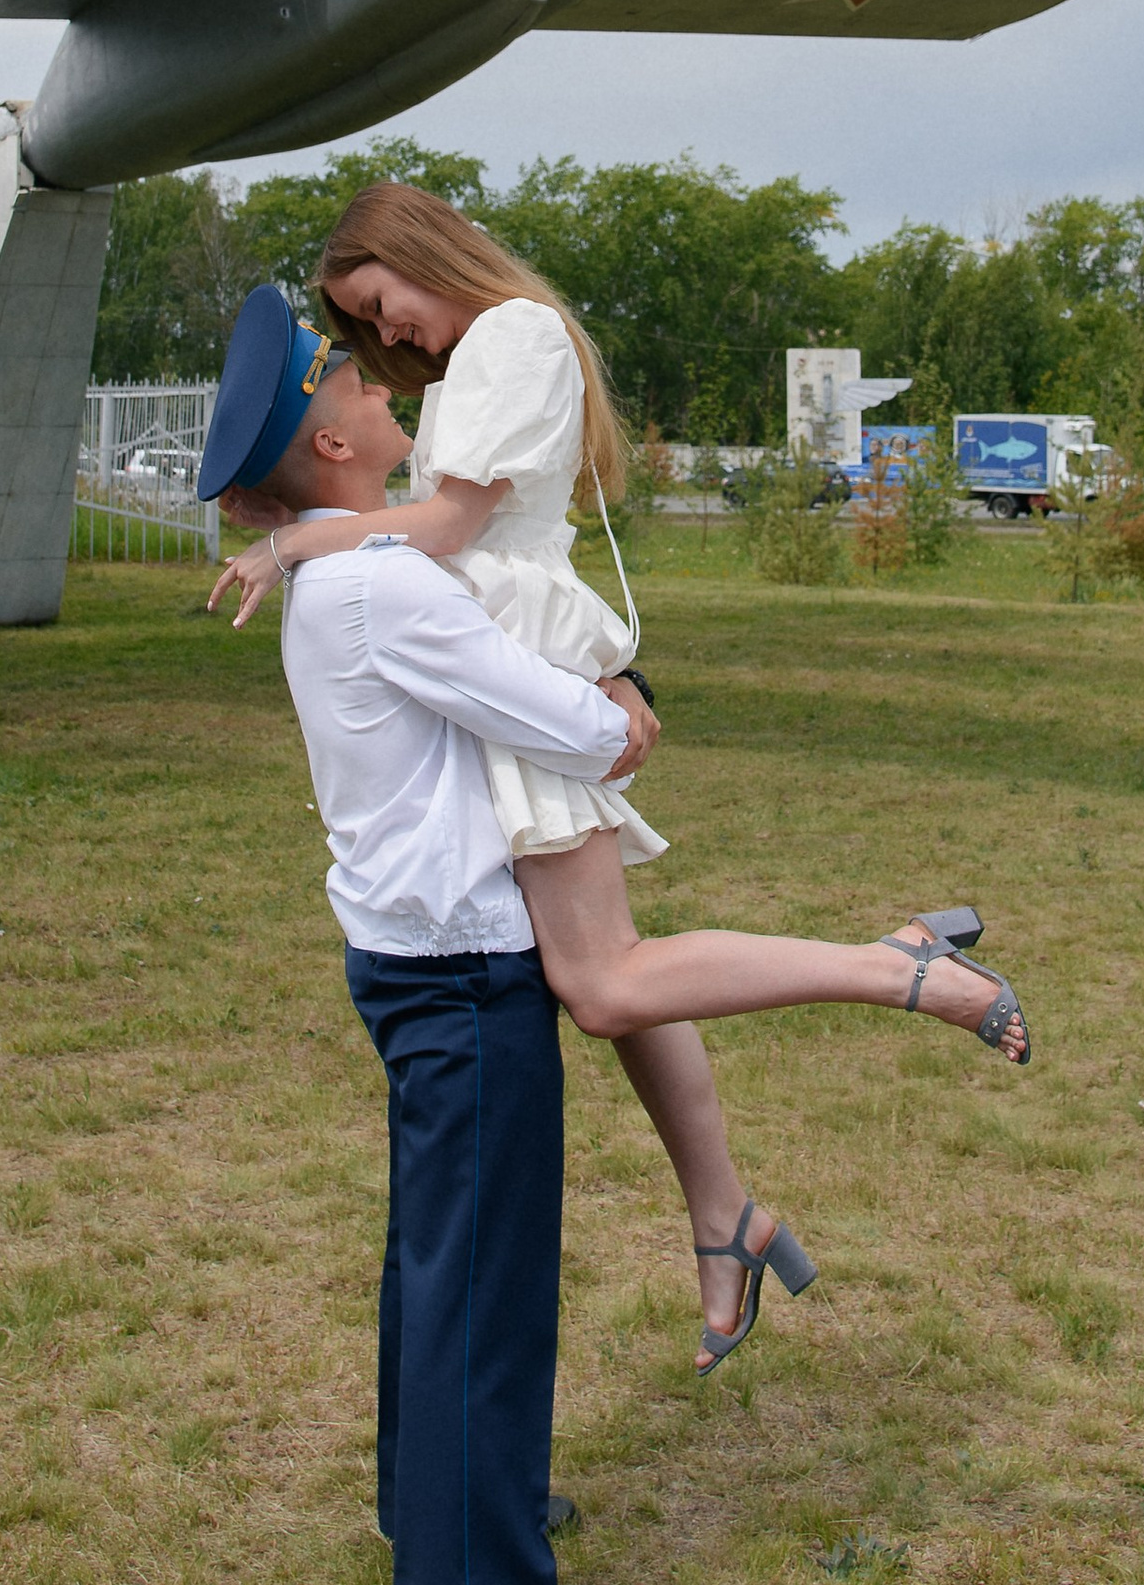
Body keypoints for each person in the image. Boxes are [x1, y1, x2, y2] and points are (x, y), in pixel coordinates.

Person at [213, 184, 834, 1372]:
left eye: (381, 305)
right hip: (506, 664)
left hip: (518, 666)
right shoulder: (480, 354)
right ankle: (723, 1213)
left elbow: (445, 527)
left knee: (605, 980)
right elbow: (435, 528)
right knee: (610, 979)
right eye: (362, 328)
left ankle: (890, 972)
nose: (387, 339)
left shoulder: (511, 334)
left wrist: (294, 539)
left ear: (418, 253)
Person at [203, 288, 654, 1585]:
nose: (378, 382)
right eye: (347, 373)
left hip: (413, 962)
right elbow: (571, 726)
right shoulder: (386, 584)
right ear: (332, 441)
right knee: (487, 1282)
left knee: (437, 1261)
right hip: (463, 974)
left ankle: (446, 1503)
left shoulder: (343, 575)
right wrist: (625, 713)